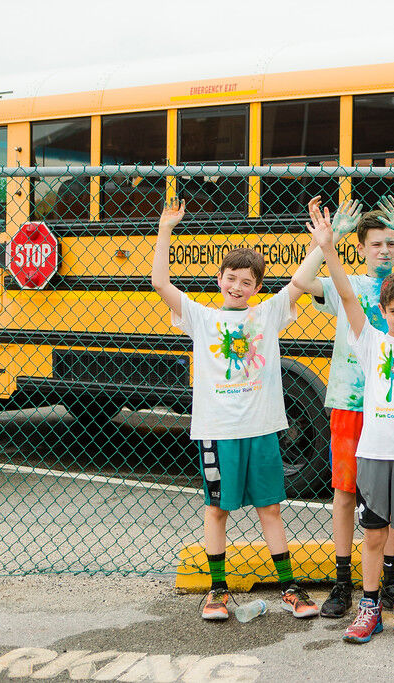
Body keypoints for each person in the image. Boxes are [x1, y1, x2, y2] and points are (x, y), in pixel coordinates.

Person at [151, 198, 319, 621]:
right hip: (218, 430)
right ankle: (218, 590)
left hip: (262, 428)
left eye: (246, 281)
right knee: (217, 509)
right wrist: (166, 229)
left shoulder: (267, 314)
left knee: (270, 509)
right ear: (219, 279)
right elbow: (160, 284)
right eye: (231, 279)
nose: (238, 286)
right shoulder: (201, 318)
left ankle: (288, 588)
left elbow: (299, 283)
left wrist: (322, 244)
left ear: (257, 287)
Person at [299, 206, 394, 645]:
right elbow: (346, 295)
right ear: (382, 311)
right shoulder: (370, 337)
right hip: (369, 437)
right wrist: (327, 244)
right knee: (371, 526)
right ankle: (365, 601)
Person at [290, 196, 394, 618]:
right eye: (377, 244)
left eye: (393, 244)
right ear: (361, 248)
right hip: (350, 401)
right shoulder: (350, 286)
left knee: (393, 499)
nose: (385, 251)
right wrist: (330, 238)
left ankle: (392, 580)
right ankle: (343, 581)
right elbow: (302, 282)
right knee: (346, 492)